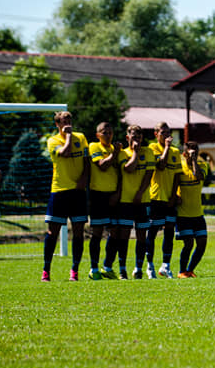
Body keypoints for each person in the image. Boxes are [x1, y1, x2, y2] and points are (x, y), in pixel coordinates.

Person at [42, 111, 89, 282]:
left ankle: (74, 270)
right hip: (59, 190)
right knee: (52, 232)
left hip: (78, 192)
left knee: (78, 232)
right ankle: (46, 270)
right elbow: (65, 153)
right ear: (57, 124)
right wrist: (68, 136)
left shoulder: (82, 137)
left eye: (69, 120)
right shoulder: (52, 141)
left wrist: (84, 179)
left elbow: (86, 160)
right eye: (63, 121)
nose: (68, 123)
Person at [105, 125, 154, 279]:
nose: (136, 140)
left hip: (143, 200)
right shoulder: (122, 153)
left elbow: (149, 175)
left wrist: (140, 193)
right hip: (125, 201)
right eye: (133, 137)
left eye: (139, 137)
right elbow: (129, 169)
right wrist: (136, 153)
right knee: (123, 236)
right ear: (128, 138)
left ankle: (138, 268)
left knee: (141, 236)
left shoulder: (149, 152)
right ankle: (122, 270)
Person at [146, 122, 182, 278]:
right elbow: (160, 166)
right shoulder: (152, 149)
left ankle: (165, 266)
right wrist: (166, 148)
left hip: (169, 199)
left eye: (168, 132)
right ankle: (149, 266)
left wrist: (174, 196)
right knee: (153, 232)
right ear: (156, 134)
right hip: (156, 197)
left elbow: (177, 176)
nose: (167, 135)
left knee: (169, 231)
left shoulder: (175, 152)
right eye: (163, 133)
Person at [87, 122, 120, 280]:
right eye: (104, 132)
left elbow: (120, 174)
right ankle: (94, 268)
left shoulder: (115, 149)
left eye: (110, 132)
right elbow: (102, 166)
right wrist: (115, 154)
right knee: (97, 232)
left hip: (113, 195)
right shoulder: (94, 147)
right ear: (97, 135)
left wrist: (117, 193)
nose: (108, 135)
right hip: (98, 195)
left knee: (115, 232)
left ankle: (107, 266)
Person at [174, 141, 210, 278]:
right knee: (188, 243)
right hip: (183, 214)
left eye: (196, 152)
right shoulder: (180, 167)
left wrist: (194, 160)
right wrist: (175, 196)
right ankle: (182, 271)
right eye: (191, 152)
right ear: (184, 154)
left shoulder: (203, 165)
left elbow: (198, 177)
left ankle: (190, 270)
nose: (194, 154)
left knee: (202, 243)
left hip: (197, 214)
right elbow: (174, 184)